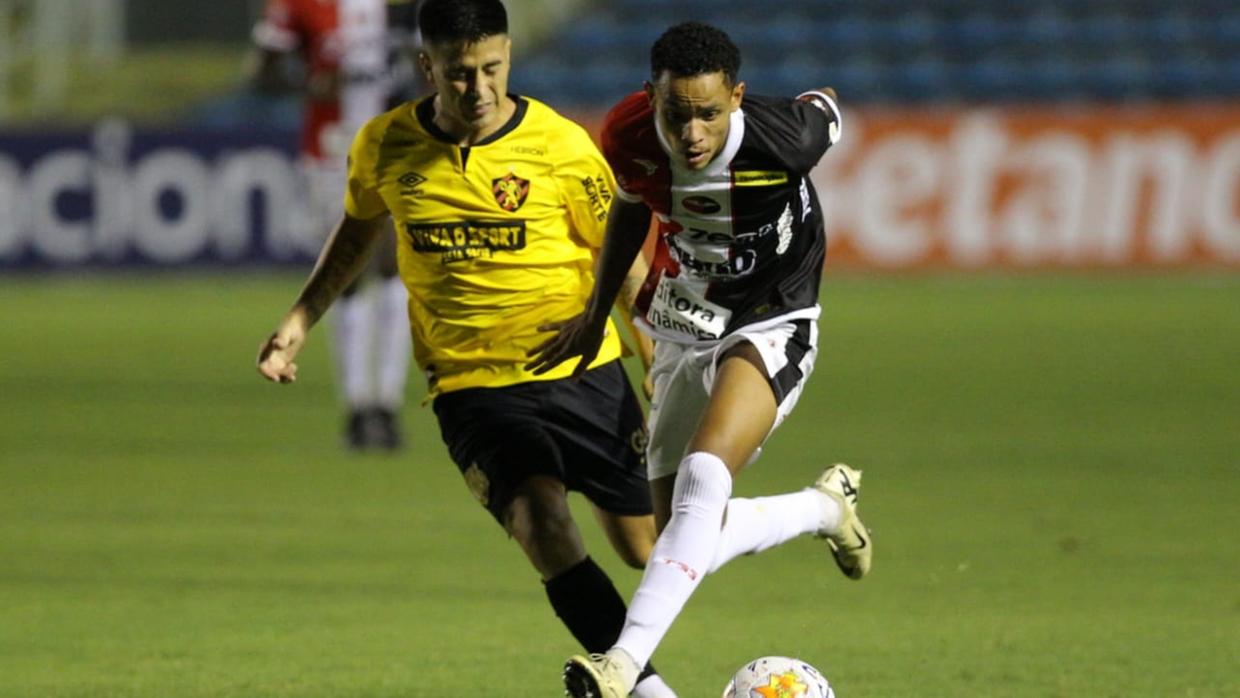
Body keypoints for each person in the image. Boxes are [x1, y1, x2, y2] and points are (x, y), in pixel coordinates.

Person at [255, 1, 676, 695]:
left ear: (507, 58)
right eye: (458, 74)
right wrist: (302, 316)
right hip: (471, 387)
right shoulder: (384, 145)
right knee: (542, 524)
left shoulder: (562, 145)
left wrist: (659, 357)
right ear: (427, 68)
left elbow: (624, 261)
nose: (478, 89)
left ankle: (810, 510)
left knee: (644, 549)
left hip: (584, 372)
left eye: (491, 69)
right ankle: (648, 692)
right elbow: (357, 230)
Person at [524, 21, 874, 698]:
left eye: (709, 114)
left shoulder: (785, 138)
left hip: (773, 316)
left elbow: (825, 104)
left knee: (706, 473)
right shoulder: (626, 134)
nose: (691, 133)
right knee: (678, 538)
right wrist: (597, 317)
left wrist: (814, 104)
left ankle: (622, 664)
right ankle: (823, 508)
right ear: (650, 98)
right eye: (675, 114)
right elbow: (629, 210)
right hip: (682, 318)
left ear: (736, 98)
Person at [251, 0, 412, 450]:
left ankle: (386, 404)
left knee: (394, 269)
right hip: (329, 151)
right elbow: (263, 72)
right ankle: (359, 407)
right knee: (349, 276)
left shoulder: (401, 7)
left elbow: (428, 64)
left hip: (397, 147)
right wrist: (309, 82)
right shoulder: (297, 4)